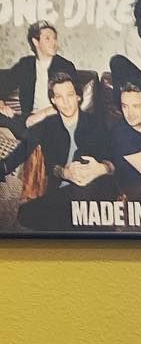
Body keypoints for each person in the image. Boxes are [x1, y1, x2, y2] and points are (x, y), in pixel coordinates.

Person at [16, 71, 117, 230]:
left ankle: (86, 224)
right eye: (59, 97)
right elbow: (50, 166)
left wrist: (102, 168)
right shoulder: (49, 126)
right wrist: (65, 173)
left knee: (83, 198)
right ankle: (88, 224)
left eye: (70, 95)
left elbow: (114, 158)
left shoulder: (96, 123)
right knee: (24, 214)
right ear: (53, 100)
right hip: (64, 193)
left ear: (78, 96)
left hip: (95, 185)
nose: (66, 102)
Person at [0, 21, 78, 181]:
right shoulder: (25, 65)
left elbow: (76, 99)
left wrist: (42, 114)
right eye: (48, 38)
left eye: (54, 38)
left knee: (40, 127)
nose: (54, 42)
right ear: (36, 42)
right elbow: (3, 83)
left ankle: (5, 166)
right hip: (27, 118)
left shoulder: (65, 66)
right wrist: (1, 103)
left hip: (55, 120)